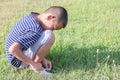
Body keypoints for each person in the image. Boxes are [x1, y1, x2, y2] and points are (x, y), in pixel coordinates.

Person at [5, 6, 68, 73]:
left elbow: (29, 42)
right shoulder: (34, 30)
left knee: (46, 34)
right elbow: (13, 49)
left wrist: (43, 59)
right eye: (53, 27)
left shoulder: (34, 16)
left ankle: (37, 61)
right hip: (17, 60)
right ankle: (35, 68)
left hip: (14, 55)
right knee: (49, 36)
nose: (52, 30)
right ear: (49, 17)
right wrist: (33, 64)